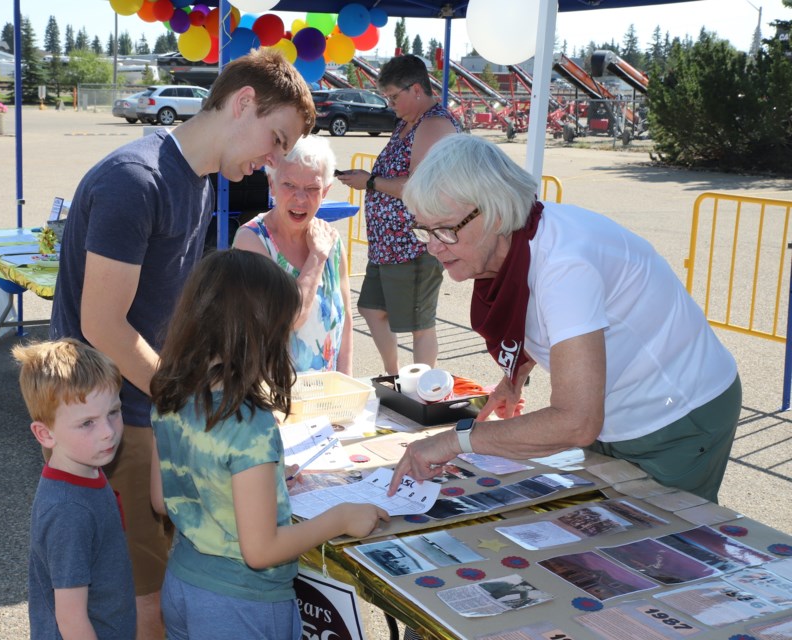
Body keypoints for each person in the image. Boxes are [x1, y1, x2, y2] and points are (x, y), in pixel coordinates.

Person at [49, 49, 316, 639]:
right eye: (275, 139)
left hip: (152, 410)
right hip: (116, 418)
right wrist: (199, 406)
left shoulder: (194, 179)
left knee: (164, 589)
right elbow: (103, 325)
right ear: (242, 102)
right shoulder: (134, 180)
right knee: (140, 602)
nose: (273, 160)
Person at [388, 133, 741, 503]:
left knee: (662, 545)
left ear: (493, 213)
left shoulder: (565, 264)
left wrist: (455, 440)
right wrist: (515, 377)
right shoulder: (522, 238)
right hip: (620, 414)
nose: (432, 246)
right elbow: (544, 320)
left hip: (677, 417)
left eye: (445, 230)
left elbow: (576, 421)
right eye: (424, 230)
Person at [148, 250, 389, 640]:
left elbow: (163, 500)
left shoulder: (170, 395)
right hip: (242, 606)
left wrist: (258, 485)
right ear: (257, 334)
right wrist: (341, 517)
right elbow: (260, 551)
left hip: (182, 586)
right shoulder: (249, 423)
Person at [336, 54, 461, 375]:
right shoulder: (408, 123)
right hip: (389, 245)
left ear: (416, 89)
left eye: (393, 97)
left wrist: (371, 182)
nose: (389, 104)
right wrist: (369, 181)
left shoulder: (434, 124)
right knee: (371, 308)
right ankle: (394, 376)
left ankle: (422, 389)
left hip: (415, 243)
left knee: (420, 324)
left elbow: (418, 187)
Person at [13, 338, 137, 639]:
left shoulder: (86, 468)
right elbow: (70, 618)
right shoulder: (69, 511)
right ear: (45, 433)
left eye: (114, 412)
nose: (108, 433)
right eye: (87, 424)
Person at [233, 135, 352, 375]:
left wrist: (346, 384)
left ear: (326, 191)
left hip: (326, 400)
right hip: (270, 400)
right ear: (272, 185)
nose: (300, 199)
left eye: (312, 189)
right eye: (289, 185)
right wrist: (316, 257)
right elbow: (287, 318)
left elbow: (346, 321)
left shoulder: (331, 240)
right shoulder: (252, 240)